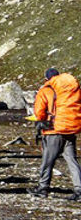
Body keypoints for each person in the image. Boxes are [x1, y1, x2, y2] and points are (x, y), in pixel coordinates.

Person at [29, 68, 81, 200]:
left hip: (52, 130)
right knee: (72, 160)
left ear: (47, 78)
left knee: (48, 160)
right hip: (69, 128)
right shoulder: (71, 90)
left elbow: (39, 112)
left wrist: (39, 120)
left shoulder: (46, 90)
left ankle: (42, 188)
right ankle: (79, 189)